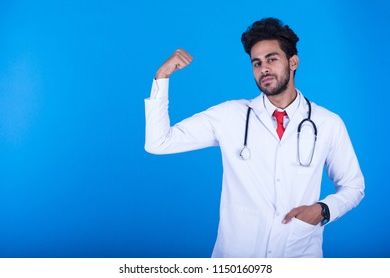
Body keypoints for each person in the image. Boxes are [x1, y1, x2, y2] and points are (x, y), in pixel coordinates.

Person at [144, 17, 365, 258]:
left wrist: (323, 210)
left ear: (293, 62)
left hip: (299, 256)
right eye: (256, 63)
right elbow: (159, 143)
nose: (264, 69)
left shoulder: (328, 123)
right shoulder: (229, 115)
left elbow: (353, 186)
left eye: (272, 59)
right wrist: (162, 76)